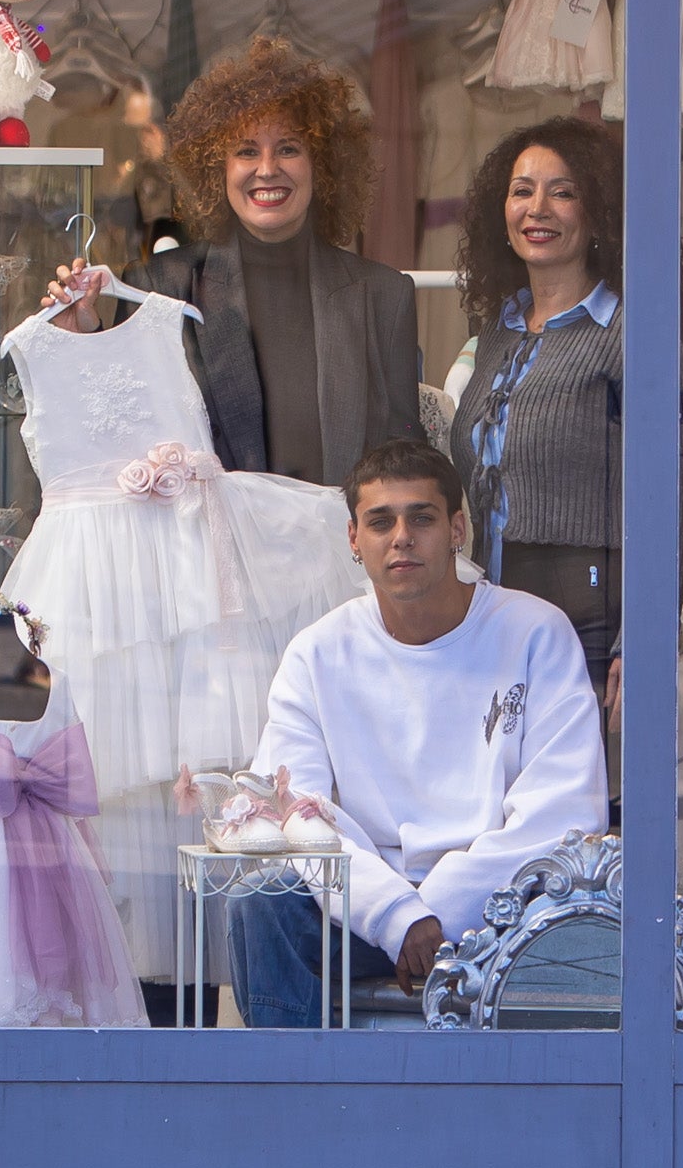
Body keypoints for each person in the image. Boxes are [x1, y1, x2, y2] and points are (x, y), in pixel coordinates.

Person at [232, 440, 608, 1026]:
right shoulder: (317, 653)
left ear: (458, 528)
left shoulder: (534, 632)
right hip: (365, 911)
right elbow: (294, 818)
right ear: (354, 540)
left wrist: (433, 912)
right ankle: (292, 1105)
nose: (401, 536)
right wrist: (394, 915)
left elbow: (565, 811)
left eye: (422, 518)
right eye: (380, 522)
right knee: (262, 896)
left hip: (502, 911)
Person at [53, 37, 421, 484]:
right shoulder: (160, 286)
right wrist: (85, 339)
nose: (267, 169)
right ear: (217, 168)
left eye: (288, 148)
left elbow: (407, 459)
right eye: (246, 151)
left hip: (338, 549)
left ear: (321, 165)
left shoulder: (383, 295)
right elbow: (116, 437)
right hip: (208, 549)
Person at [448, 116, 627, 693]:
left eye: (563, 191)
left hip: (589, 620)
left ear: (597, 212)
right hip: (491, 612)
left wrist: (642, 637)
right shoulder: (498, 331)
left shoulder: (627, 330)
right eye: (522, 190)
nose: (538, 208)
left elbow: (667, 491)